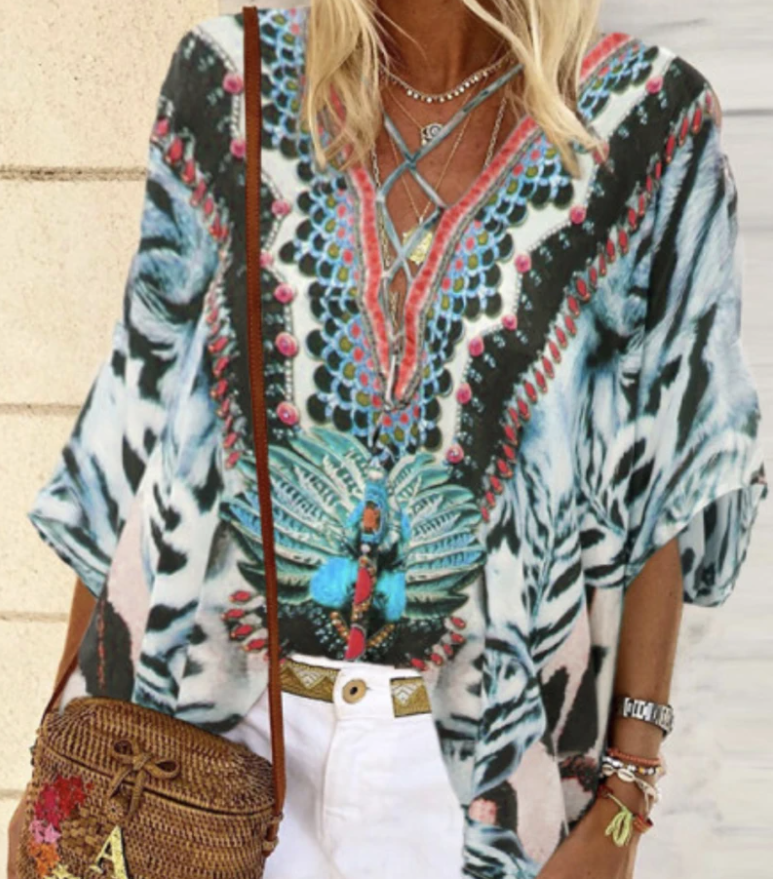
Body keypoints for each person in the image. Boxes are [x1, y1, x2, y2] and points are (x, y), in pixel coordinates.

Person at [8, 1, 769, 877]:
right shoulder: (230, 76)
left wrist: (625, 798)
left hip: (474, 775)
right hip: (201, 751)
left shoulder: (648, 118)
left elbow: (665, 480)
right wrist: (57, 750)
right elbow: (133, 422)